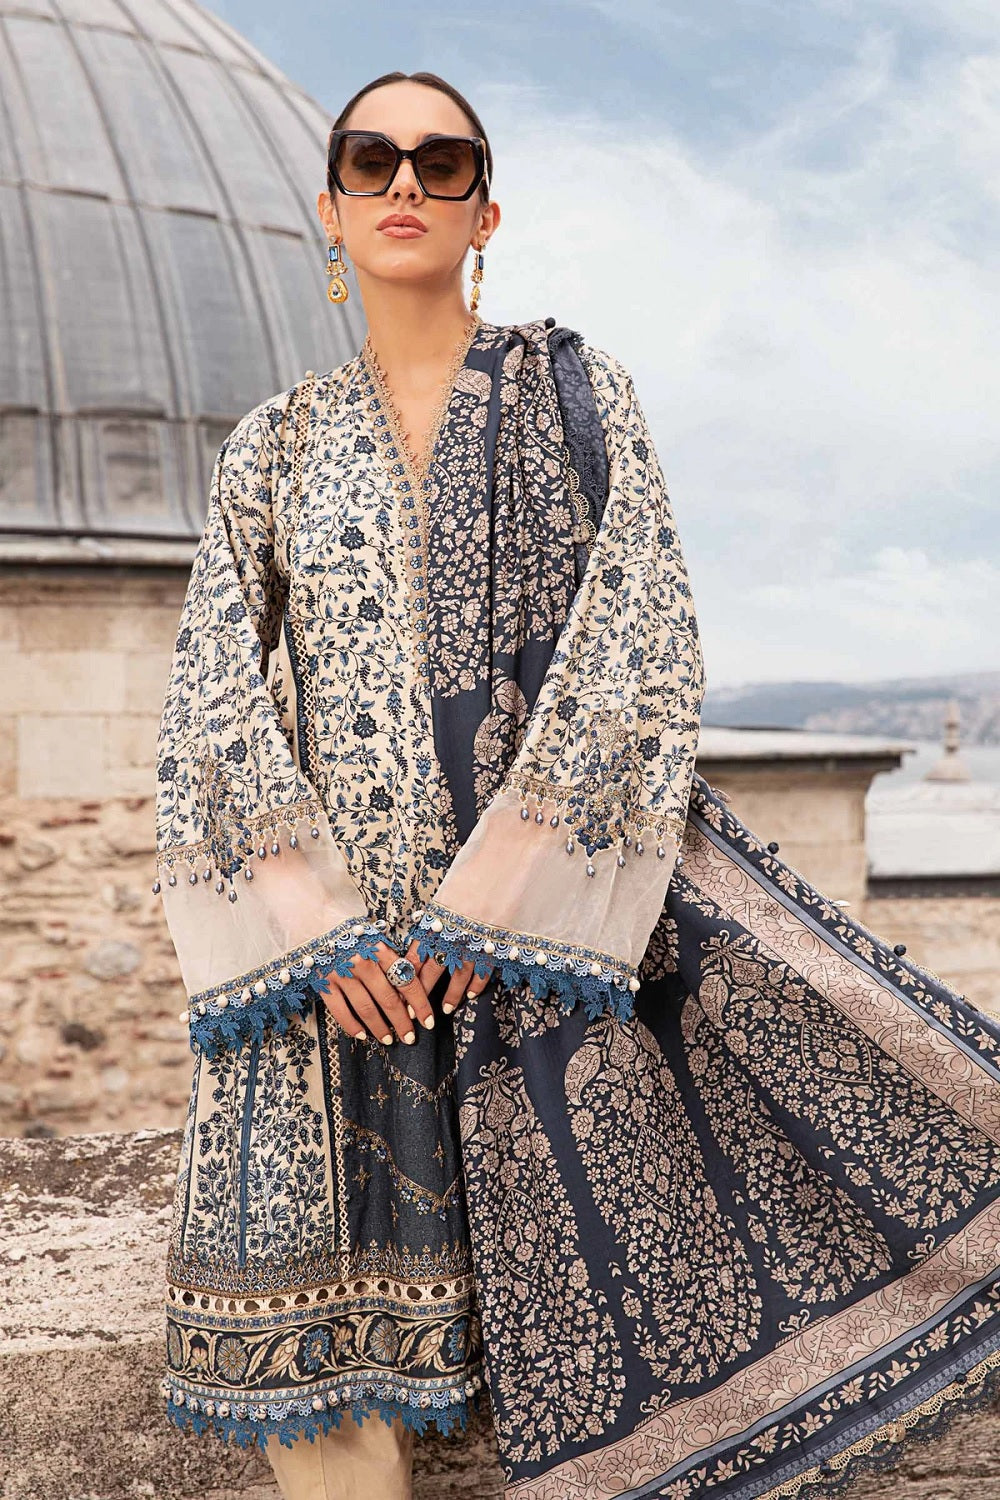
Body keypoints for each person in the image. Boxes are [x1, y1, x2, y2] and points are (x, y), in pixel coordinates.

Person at [154, 68, 1000, 1500]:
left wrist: (502, 910)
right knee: (322, 1366)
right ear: (330, 209)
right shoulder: (273, 447)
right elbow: (210, 700)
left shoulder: (575, 393)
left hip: (530, 953)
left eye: (441, 162)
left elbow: (640, 641)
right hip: (339, 978)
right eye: (372, 160)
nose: (405, 183)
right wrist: (311, 937)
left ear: (486, 211)